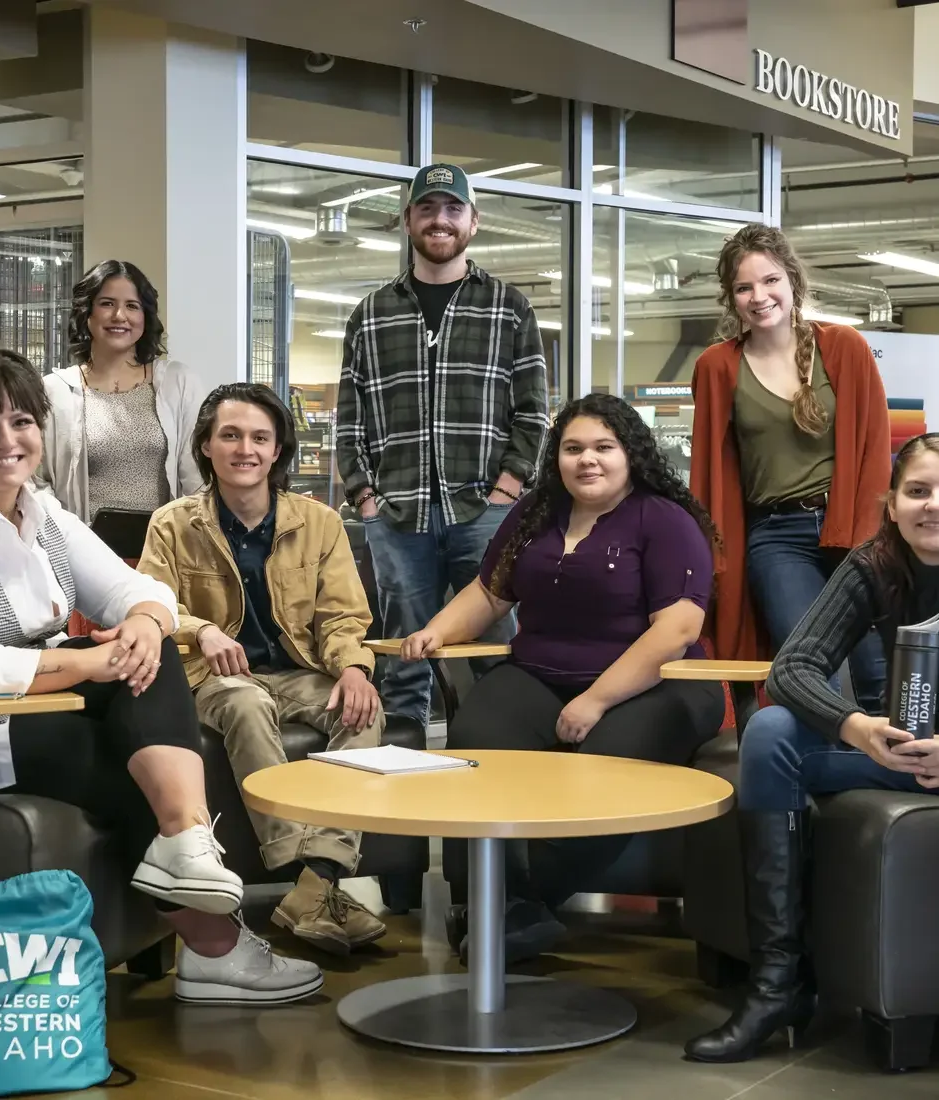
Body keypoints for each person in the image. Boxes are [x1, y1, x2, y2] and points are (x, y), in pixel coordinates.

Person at [0, 345, 321, 1007]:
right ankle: (215, 947)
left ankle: (188, 845)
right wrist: (92, 660)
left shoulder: (42, 513)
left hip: (23, 717)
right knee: (115, 740)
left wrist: (143, 624)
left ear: (42, 433)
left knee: (145, 660)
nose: (6, 440)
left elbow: (142, 590)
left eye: (21, 421)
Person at [401, 393, 725, 961]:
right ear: (557, 457)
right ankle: (507, 910)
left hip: (658, 682)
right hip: (540, 671)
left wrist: (596, 701)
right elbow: (488, 592)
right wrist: (438, 630)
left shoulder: (665, 519)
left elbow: (675, 630)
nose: (587, 460)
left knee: (603, 766)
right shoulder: (534, 514)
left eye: (604, 447)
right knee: (475, 745)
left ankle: (519, 904)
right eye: (573, 448)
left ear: (631, 454)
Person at [685, 433, 939, 1063]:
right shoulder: (875, 564)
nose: (932, 506)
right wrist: (857, 728)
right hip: (903, 753)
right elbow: (792, 668)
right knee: (770, 733)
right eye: (918, 491)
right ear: (892, 503)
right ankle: (778, 987)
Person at [137, 382, 388, 957]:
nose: (244, 448)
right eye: (229, 435)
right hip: (208, 677)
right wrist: (199, 629)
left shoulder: (319, 522)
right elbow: (149, 604)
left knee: (363, 710)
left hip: (297, 671)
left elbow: (344, 615)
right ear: (206, 446)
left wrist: (353, 667)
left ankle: (315, 880)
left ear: (278, 451)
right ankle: (308, 879)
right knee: (247, 703)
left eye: (259, 437)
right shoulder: (172, 524)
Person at [336, 162, 550, 727]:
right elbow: (348, 417)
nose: (440, 220)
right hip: (397, 515)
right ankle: (406, 780)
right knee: (403, 656)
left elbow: (533, 412)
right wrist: (365, 499)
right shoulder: (371, 313)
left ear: (473, 222)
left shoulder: (509, 307)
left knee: (495, 645)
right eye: (428, 209)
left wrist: (509, 487)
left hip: (484, 510)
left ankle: (502, 756)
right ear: (408, 220)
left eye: (453, 209)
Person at [691, 224, 890, 711]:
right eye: (744, 287)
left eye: (770, 280)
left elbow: (874, 448)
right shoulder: (718, 366)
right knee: (806, 662)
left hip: (851, 526)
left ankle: (892, 770)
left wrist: (869, 540)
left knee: (874, 665)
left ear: (792, 281)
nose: (760, 296)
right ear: (731, 297)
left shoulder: (844, 346)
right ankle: (824, 771)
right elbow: (710, 470)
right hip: (776, 534)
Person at [38, 259, 207, 525]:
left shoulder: (178, 383)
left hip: (163, 550)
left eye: (132, 306)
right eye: (107, 303)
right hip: (83, 551)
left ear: (145, 316)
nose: (120, 316)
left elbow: (198, 477)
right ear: (87, 313)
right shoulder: (54, 391)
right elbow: (37, 480)